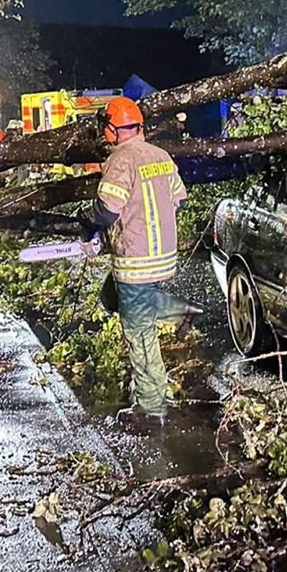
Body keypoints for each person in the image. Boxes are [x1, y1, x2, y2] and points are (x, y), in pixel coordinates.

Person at [89, 95, 193, 430]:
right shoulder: (161, 156)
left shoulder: (121, 160)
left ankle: (152, 409)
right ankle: (172, 307)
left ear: (111, 130)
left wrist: (87, 223)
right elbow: (179, 199)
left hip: (136, 262)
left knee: (140, 333)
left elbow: (107, 210)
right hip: (162, 256)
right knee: (112, 297)